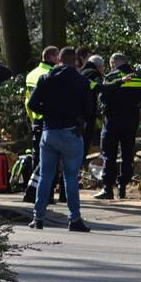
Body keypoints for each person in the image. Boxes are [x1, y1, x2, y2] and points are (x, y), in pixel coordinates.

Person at [26, 47, 93, 231]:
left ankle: (37, 217)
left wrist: (47, 113)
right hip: (71, 132)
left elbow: (32, 104)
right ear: (75, 61)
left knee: (46, 176)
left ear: (59, 60)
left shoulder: (46, 78)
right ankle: (74, 219)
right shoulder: (81, 81)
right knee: (70, 177)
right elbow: (89, 110)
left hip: (49, 133)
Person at [93, 53, 141, 200]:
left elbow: (103, 97)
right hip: (131, 121)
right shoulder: (138, 76)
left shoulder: (111, 77)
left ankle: (107, 188)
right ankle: (122, 187)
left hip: (112, 121)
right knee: (127, 154)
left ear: (113, 63)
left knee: (109, 155)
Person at [24, 46, 63, 203]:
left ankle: (34, 191)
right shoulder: (50, 75)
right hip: (48, 120)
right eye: (58, 57)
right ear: (53, 57)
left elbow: (28, 100)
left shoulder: (31, 74)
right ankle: (47, 194)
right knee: (49, 160)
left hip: (35, 119)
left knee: (37, 157)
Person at [79, 55, 105, 155]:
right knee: (85, 141)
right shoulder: (95, 74)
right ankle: (81, 165)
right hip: (88, 112)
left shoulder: (82, 72)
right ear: (99, 66)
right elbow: (100, 91)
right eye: (103, 67)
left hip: (78, 112)